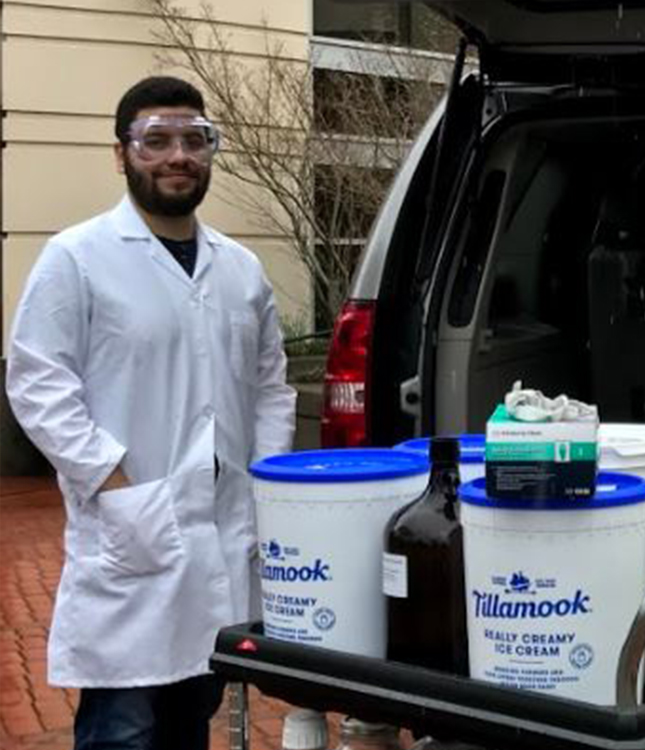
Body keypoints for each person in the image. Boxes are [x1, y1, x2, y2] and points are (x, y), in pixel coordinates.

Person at [5, 76, 296, 750]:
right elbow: (37, 381)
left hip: (221, 534)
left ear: (210, 152)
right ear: (122, 154)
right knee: (123, 729)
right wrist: (112, 483)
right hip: (130, 527)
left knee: (191, 716)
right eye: (155, 140)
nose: (177, 156)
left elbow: (270, 386)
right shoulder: (77, 257)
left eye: (195, 140)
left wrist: (269, 483)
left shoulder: (241, 269)